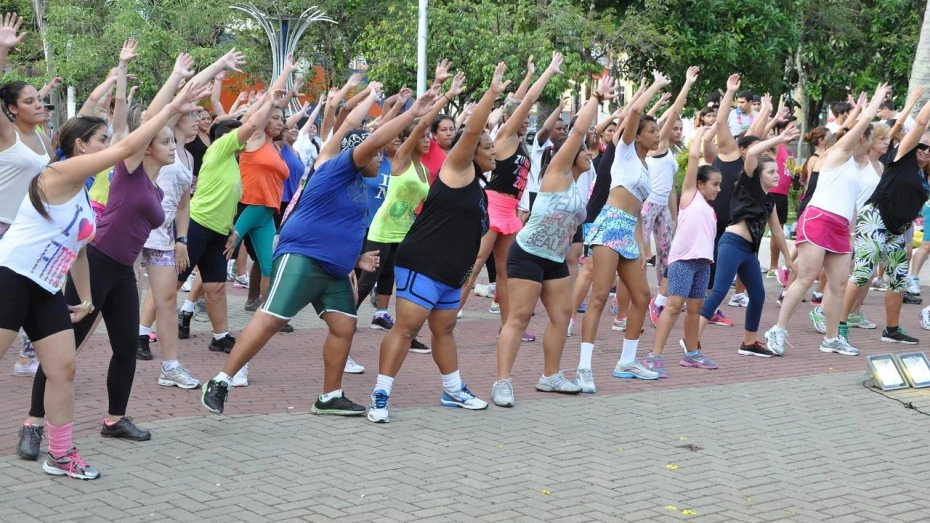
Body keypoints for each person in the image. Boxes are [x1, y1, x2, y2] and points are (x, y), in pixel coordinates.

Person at [4, 65, 206, 481]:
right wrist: (171, 104)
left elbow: (76, 251)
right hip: (11, 277)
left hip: (45, 289)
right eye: (101, 141)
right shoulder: (58, 173)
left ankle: (60, 455)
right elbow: (131, 140)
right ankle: (36, 429)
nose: (109, 144)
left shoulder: (81, 194)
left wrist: (85, 298)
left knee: (64, 369)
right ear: (82, 146)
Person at [200, 81, 435, 416]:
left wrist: (354, 259)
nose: (381, 160)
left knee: (344, 326)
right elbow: (368, 136)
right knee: (272, 318)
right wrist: (412, 112)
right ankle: (221, 380)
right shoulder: (339, 166)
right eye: (377, 155)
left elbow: (338, 223)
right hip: (303, 257)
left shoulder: (352, 180)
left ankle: (329, 396)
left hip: (334, 269)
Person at [365, 63, 511, 423]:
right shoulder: (456, 170)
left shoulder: (477, 185)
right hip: (422, 264)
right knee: (406, 328)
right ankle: (380, 395)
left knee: (443, 329)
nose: (495, 153)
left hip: (450, 272)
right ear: (470, 150)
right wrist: (491, 93)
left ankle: (453, 389)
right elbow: (474, 128)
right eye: (488, 148)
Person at [490, 75, 617, 407]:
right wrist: (595, 99)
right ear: (568, 154)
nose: (589, 153)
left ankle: (551, 376)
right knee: (518, 318)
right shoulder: (557, 173)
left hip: (554, 259)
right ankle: (502, 382)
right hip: (528, 253)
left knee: (562, 317)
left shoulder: (578, 185)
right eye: (583, 151)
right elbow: (577, 133)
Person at [765, 83, 891, 357]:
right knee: (807, 277)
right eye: (871, 137)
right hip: (819, 218)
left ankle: (832, 339)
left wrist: (851, 233)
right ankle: (778, 330)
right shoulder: (839, 153)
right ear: (862, 139)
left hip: (840, 226)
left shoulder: (859, 167)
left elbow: (852, 205)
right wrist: (873, 104)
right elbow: (862, 123)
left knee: (839, 284)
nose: (874, 142)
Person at [457, 52, 564, 343]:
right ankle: (450, 314)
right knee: (477, 262)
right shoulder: (503, 137)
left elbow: (520, 105)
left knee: (506, 272)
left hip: (510, 210)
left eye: (528, 119)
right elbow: (524, 101)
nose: (527, 122)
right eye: (524, 118)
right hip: (492, 205)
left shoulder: (522, 145)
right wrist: (547, 72)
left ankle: (507, 325)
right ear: (510, 118)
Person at [576, 70, 671, 392]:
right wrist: (655, 86)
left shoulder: (646, 165)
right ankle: (583, 368)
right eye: (652, 131)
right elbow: (632, 113)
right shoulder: (625, 152)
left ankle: (627, 361)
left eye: (658, 130)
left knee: (642, 298)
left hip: (629, 232)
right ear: (638, 135)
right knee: (600, 296)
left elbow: (639, 211)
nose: (657, 135)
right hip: (609, 226)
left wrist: (642, 245)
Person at [840, 97, 930, 344]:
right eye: (922, 146)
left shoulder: (925, 176)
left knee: (899, 279)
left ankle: (891, 330)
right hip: (875, 218)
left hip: (897, 230)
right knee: (863, 272)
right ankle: (839, 324)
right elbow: (921, 122)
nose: (925, 151)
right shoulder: (901, 159)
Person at [0, 15, 53, 379]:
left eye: (40, 98)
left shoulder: (43, 136)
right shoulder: (7, 134)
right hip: (1, 227)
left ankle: (26, 357)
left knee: (33, 292)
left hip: (28, 229)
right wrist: (3, 48)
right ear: (13, 108)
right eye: (30, 100)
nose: (39, 104)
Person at [647, 127, 721, 376]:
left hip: (702, 263)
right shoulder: (690, 196)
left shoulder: (709, 209)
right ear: (699, 184)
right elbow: (692, 158)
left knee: (695, 309)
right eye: (714, 184)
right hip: (682, 262)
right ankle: (654, 356)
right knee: (673, 305)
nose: (718, 189)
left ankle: (692, 354)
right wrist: (700, 134)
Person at [644, 66, 699, 326]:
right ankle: (623, 301)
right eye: (672, 127)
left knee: (667, 256)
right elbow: (675, 111)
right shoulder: (658, 145)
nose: (675, 130)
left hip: (664, 207)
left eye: (679, 128)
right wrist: (686, 84)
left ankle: (660, 301)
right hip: (646, 206)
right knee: (638, 255)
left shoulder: (673, 154)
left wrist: (676, 217)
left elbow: (672, 190)